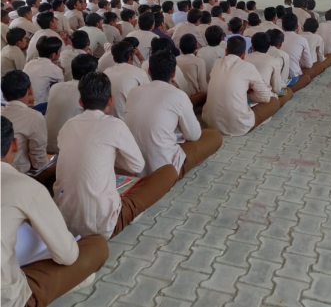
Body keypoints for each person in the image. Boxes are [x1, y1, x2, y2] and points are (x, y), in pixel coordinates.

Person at [1, 116, 109, 307]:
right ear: (14, 144)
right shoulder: (26, 187)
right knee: (97, 245)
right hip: (8, 299)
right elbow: (67, 256)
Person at [54, 72, 177, 239]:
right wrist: (112, 157)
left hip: (64, 221)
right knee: (168, 172)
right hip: (102, 226)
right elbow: (137, 165)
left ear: (81, 102)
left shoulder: (68, 126)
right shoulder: (115, 125)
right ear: (110, 101)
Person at [125, 50, 222, 179]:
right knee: (213, 136)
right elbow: (194, 135)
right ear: (174, 74)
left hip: (135, 166)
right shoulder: (178, 95)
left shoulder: (134, 92)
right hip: (165, 169)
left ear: (149, 71)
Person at [203, 36, 280, 136]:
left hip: (211, 122)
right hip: (239, 125)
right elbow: (264, 97)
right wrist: (248, 95)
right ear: (244, 55)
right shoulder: (248, 67)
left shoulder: (217, 63)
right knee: (273, 101)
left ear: (226, 51)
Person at [45, 54, 98, 154]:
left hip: (46, 144)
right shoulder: (87, 93)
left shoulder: (56, 87)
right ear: (92, 74)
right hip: (66, 149)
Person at [1, 71, 47, 174]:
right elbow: (38, 159)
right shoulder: (35, 117)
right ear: (30, 89)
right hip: (17, 173)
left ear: (4, 96)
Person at [104, 41, 149, 120]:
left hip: (107, 119)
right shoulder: (139, 72)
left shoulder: (105, 72)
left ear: (114, 58)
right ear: (131, 56)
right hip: (127, 121)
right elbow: (149, 96)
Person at [245, 32, 292, 106]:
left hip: (244, 95)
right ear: (268, 46)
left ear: (252, 46)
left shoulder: (244, 58)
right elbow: (276, 89)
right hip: (262, 97)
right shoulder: (273, 61)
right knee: (288, 92)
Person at [23, 36, 64, 105]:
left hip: (25, 102)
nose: (60, 53)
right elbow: (61, 90)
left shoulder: (29, 63)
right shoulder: (55, 69)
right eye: (59, 50)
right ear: (53, 55)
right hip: (38, 106)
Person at [281, 13, 314, 91]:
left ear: (282, 27)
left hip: (277, 77)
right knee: (310, 73)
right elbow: (308, 64)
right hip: (293, 77)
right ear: (297, 26)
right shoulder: (302, 40)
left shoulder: (276, 38)